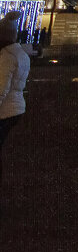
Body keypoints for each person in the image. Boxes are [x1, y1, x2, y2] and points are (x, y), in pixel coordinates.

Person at [0, 12, 31, 197]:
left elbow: (1, 89)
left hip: (6, 110)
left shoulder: (7, 56)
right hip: (16, 108)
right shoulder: (21, 53)